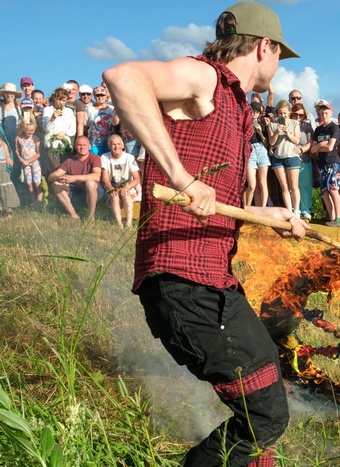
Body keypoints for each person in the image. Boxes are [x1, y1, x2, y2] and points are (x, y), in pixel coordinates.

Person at [103, 3, 307, 465]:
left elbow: (214, 204)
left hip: (209, 282)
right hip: (184, 283)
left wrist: (268, 213)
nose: (278, 67)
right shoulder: (206, 78)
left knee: (266, 401)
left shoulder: (235, 106)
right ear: (264, 47)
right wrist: (181, 177)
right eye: (280, 55)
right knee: (266, 415)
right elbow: (122, 76)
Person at [47, 135, 101, 220]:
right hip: (75, 190)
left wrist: (74, 178)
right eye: (79, 145)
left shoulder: (95, 158)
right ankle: (73, 215)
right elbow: (51, 177)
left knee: (90, 183)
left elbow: (97, 176)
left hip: (93, 191)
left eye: (84, 145)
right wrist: (59, 178)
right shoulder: (70, 161)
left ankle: (91, 217)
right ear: (75, 147)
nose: (82, 147)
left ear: (89, 146)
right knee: (56, 183)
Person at [311, 100, 340, 227]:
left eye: (326, 113)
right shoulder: (318, 130)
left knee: (333, 189)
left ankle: (339, 218)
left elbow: (330, 147)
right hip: (322, 163)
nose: (323, 115)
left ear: (331, 113)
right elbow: (313, 150)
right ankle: (332, 218)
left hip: (333, 162)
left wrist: (322, 146)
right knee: (324, 192)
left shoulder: (334, 127)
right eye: (321, 113)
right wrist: (320, 145)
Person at [266, 100, 301, 215]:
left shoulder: (295, 123)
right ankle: (289, 211)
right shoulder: (272, 124)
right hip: (278, 157)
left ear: (289, 112)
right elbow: (271, 141)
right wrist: (277, 131)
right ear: (277, 113)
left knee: (294, 186)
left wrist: (287, 133)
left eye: (285, 113)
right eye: (280, 113)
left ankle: (296, 211)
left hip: (291, 156)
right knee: (284, 187)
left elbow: (297, 140)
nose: (283, 115)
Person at [100, 135, 140, 229]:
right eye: (113, 144)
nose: (116, 146)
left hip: (127, 186)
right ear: (109, 146)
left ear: (123, 145)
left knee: (126, 195)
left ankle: (129, 223)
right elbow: (105, 178)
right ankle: (119, 224)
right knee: (114, 196)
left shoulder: (130, 158)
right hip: (112, 186)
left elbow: (136, 178)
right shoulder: (105, 157)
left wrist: (127, 187)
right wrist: (111, 188)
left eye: (118, 144)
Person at [42, 87, 76, 174]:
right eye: (59, 99)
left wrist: (64, 132)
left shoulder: (69, 111)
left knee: (66, 170)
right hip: (51, 145)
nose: (61, 102)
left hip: (65, 145)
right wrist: (53, 118)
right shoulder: (47, 110)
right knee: (56, 171)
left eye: (64, 100)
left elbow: (73, 130)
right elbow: (46, 129)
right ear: (54, 98)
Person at [244, 101, 270, 207]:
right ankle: (246, 210)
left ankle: (263, 209)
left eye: (257, 112)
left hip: (262, 150)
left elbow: (267, 144)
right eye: (252, 111)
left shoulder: (263, 126)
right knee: (252, 185)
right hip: (250, 151)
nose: (254, 114)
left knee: (262, 183)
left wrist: (260, 133)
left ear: (259, 113)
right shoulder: (244, 124)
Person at [291, 102, 313, 220]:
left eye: (301, 115)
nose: (298, 117)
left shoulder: (307, 126)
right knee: (292, 187)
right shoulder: (288, 124)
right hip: (290, 158)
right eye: (295, 114)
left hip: (305, 158)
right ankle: (294, 209)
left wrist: (301, 150)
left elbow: (310, 142)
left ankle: (305, 209)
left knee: (305, 186)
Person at [15, 121, 43, 208]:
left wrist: (29, 161)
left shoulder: (35, 138)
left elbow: (38, 153)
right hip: (25, 163)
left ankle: (40, 201)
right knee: (29, 183)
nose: (30, 132)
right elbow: (16, 150)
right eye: (28, 130)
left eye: (32, 130)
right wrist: (21, 160)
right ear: (24, 130)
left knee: (37, 182)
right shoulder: (19, 138)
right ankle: (33, 201)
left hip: (34, 162)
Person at [85, 86, 117, 155]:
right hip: (93, 144)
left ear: (106, 96)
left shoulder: (112, 109)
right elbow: (85, 127)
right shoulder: (89, 109)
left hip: (110, 143)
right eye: (98, 95)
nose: (100, 97)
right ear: (94, 96)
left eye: (102, 95)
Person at [0, 126, 20, 217]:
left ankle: (9, 208)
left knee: (5, 182)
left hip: (1, 160)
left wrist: (8, 157)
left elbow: (3, 143)